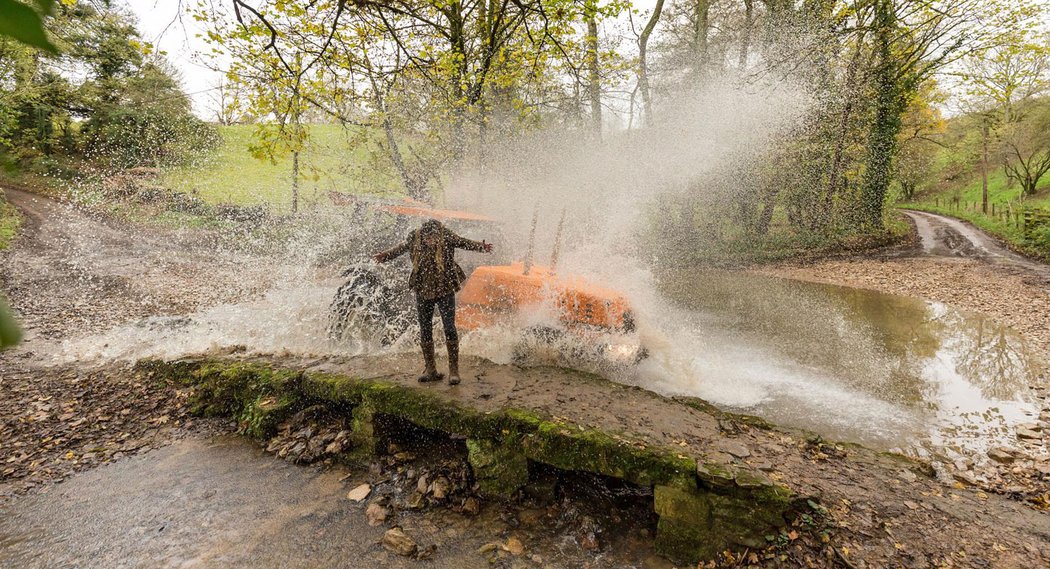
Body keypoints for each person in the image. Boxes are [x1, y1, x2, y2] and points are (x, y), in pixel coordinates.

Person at [373, 219, 493, 385]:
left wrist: (481, 247)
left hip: (445, 287)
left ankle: (454, 371)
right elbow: (400, 249)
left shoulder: (447, 236)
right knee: (425, 327)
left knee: (449, 327)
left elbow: (463, 243)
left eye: (435, 237)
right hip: (422, 287)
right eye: (429, 238)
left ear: (439, 234)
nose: (432, 241)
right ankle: (431, 370)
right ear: (423, 235)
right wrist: (384, 256)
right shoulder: (414, 237)